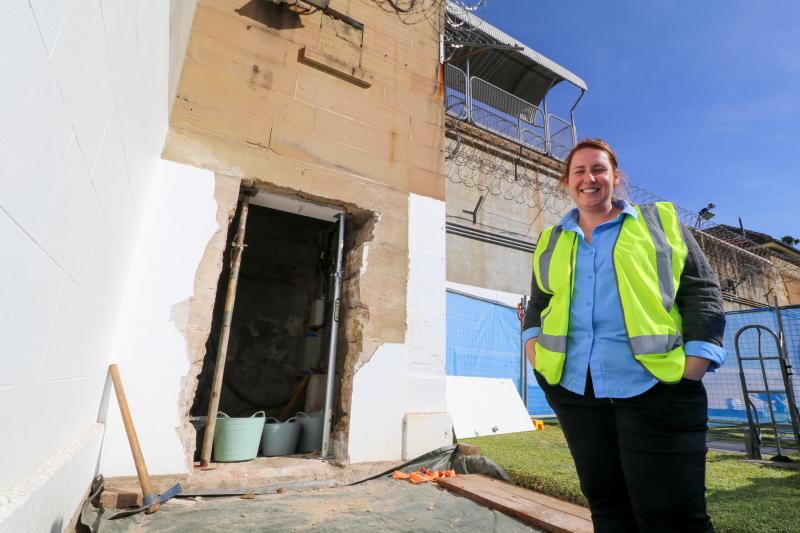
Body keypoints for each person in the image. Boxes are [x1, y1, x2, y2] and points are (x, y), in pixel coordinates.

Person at [522, 138, 725, 533]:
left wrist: (694, 364)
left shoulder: (659, 224)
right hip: (576, 391)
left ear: (615, 177)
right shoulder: (551, 241)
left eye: (598, 169)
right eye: (579, 171)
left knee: (673, 515)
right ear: (567, 182)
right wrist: (534, 349)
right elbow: (539, 302)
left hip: (658, 385)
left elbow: (702, 291)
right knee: (608, 505)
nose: (589, 178)